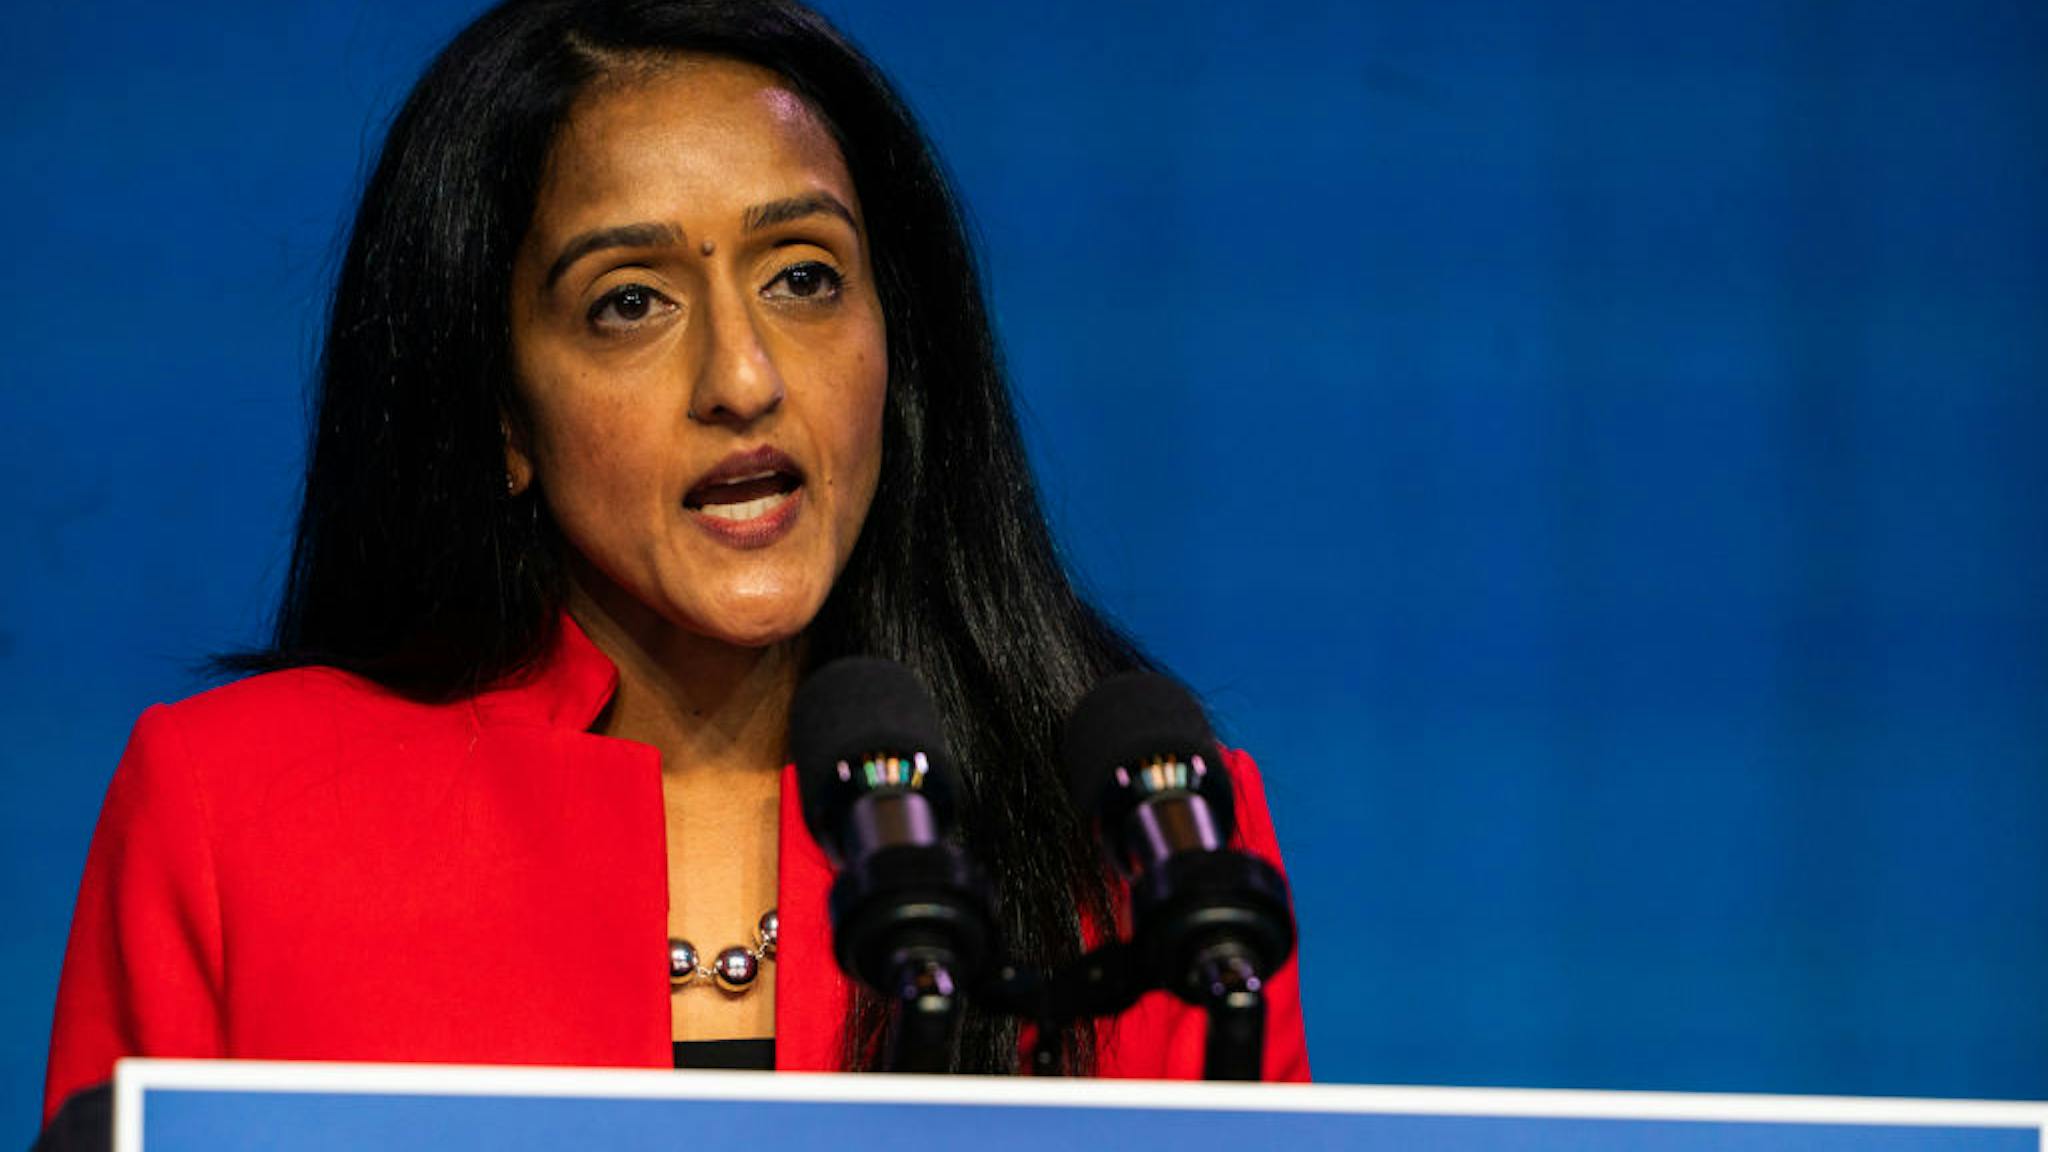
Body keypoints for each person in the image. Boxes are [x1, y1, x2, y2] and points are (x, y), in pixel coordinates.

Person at [40, 0, 1307, 1133]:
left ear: (894, 353)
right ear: (502, 413)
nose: (742, 378)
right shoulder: (235, 816)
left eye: (805, 277)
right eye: (629, 302)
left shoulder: (1148, 843)